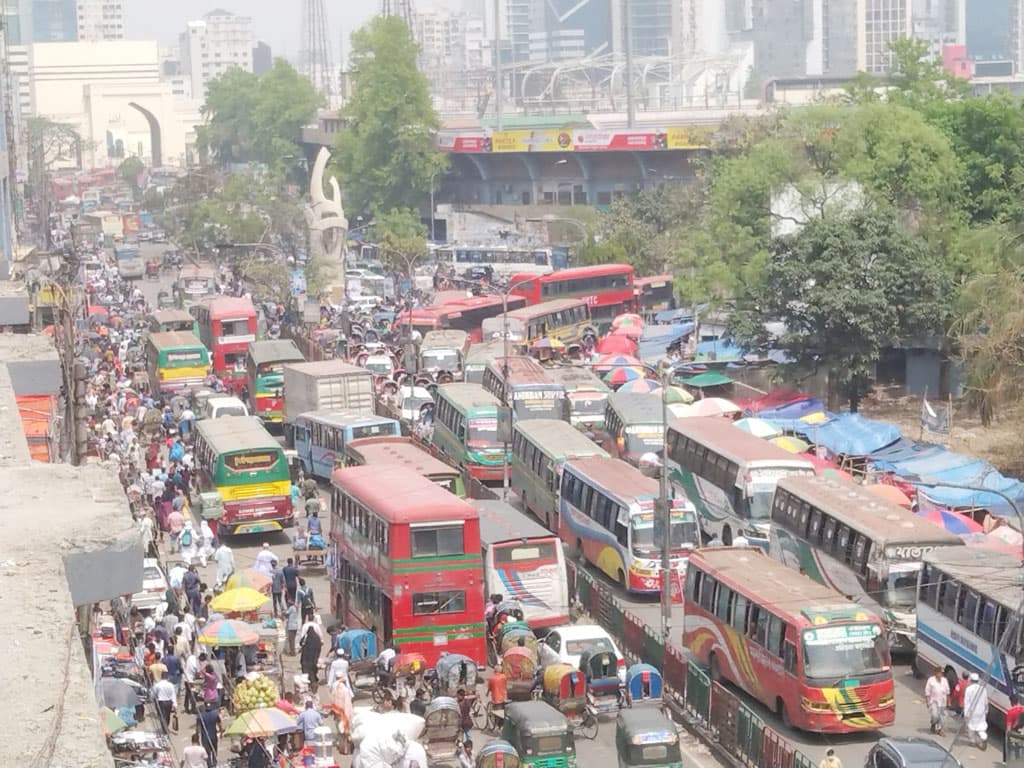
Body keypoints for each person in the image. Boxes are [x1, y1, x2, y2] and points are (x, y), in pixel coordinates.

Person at [963, 672, 990, 749]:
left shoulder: (968, 689)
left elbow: (967, 702)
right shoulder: (983, 689)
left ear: (970, 680)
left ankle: (972, 741)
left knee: (971, 727)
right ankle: (984, 737)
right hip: (981, 712)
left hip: (972, 712)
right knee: (981, 727)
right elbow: (986, 701)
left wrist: (966, 713)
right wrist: (986, 710)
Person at [925, 666, 949, 735]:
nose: (940, 674)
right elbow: (927, 691)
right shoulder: (931, 680)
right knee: (935, 715)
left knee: (942, 717)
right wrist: (927, 701)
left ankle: (940, 729)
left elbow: (947, 692)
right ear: (936, 673)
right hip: (934, 701)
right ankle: (933, 723)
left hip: (942, 702)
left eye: (941, 673)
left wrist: (948, 702)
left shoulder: (944, 680)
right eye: (939, 673)